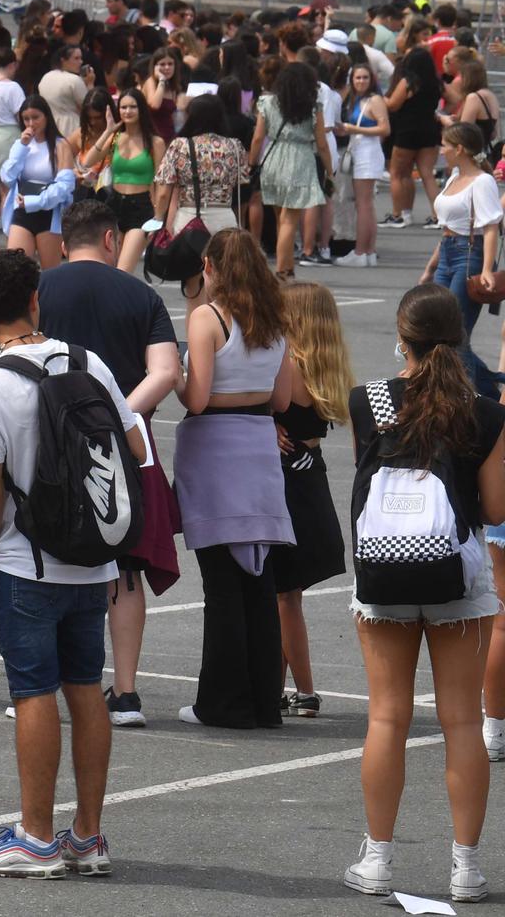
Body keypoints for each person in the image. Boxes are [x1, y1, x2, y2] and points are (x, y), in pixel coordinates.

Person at [0, 248, 141, 878]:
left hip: (24, 559)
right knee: (86, 688)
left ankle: (35, 838)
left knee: (32, 690)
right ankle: (87, 836)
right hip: (92, 559)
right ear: (36, 298)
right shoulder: (90, 365)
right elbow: (133, 444)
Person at [344, 285, 505, 901]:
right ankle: (465, 867)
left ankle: (379, 859)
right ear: (459, 339)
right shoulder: (483, 412)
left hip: (383, 570)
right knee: (463, 720)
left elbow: (367, 486)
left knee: (387, 716)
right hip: (457, 576)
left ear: (401, 335)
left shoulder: (371, 402)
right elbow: (494, 508)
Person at [35, 201, 181, 728]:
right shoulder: (142, 295)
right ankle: (124, 692)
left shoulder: (41, 289)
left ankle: (37, 686)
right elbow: (165, 372)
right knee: (124, 566)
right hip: (124, 443)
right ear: (112, 239)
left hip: (48, 438)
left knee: (46, 555)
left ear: (63, 241)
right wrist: (116, 415)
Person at [171, 228, 296, 730]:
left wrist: (175, 375)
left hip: (215, 450)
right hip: (259, 448)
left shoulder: (208, 318)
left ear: (211, 266)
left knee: (221, 585)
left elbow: (196, 399)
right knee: (258, 583)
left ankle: (222, 703)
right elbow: (282, 399)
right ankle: (264, 701)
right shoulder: (274, 317)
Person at [267, 280, 355, 719]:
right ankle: (277, 685)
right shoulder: (326, 365)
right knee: (288, 592)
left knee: (284, 595)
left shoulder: (288, 363)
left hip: (287, 480)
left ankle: (303, 690)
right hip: (311, 476)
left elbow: (261, 400)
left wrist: (266, 420)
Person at [419, 121, 502, 399]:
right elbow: (447, 229)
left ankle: (471, 396)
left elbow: (490, 227)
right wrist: (432, 266)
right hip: (448, 252)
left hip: (470, 255)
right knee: (439, 328)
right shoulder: (454, 176)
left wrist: (488, 268)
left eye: (445, 145)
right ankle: (487, 387)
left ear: (460, 148)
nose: (442, 149)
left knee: (454, 331)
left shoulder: (483, 181)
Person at [154, 94, 250, 295]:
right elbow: (241, 182)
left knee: (193, 288)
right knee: (226, 287)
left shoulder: (180, 146)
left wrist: (158, 219)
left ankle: (198, 326)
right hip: (225, 218)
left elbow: (164, 191)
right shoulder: (234, 146)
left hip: (190, 218)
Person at [251, 61, 332, 278]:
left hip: (273, 158)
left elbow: (258, 137)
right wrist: (330, 171)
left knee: (281, 218)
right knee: (289, 220)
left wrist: (251, 163)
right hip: (299, 159)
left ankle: (287, 267)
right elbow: (322, 144)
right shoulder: (313, 107)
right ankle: (280, 272)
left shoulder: (267, 103)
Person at [81, 89, 163, 273]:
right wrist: (108, 130)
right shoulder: (115, 138)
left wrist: (158, 218)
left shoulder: (155, 142)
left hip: (141, 207)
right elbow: (88, 161)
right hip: (114, 204)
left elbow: (160, 182)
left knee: (123, 271)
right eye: (123, 107)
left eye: (133, 107)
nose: (127, 111)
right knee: (107, 268)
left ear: (141, 109)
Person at [0, 95, 76, 269]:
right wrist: (22, 146)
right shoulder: (21, 144)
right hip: (21, 211)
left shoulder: (60, 145)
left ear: (46, 117)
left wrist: (34, 202)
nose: (31, 123)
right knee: (16, 269)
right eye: (26, 119)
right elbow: (7, 177)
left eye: (35, 117)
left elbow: (65, 186)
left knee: (50, 273)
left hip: (48, 214)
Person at [336, 63, 390, 266]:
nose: (361, 81)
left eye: (365, 77)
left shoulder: (374, 100)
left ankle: (360, 252)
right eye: (357, 78)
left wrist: (353, 129)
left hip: (368, 153)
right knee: (365, 204)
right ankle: (368, 252)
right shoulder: (356, 99)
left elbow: (385, 129)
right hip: (361, 151)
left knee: (364, 204)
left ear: (372, 79)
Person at [386, 47, 444, 229]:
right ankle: (438, 216)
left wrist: (380, 99)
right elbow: (454, 97)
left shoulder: (409, 82)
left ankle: (399, 214)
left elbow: (393, 104)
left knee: (398, 173)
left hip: (408, 129)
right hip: (430, 128)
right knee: (427, 174)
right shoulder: (436, 83)